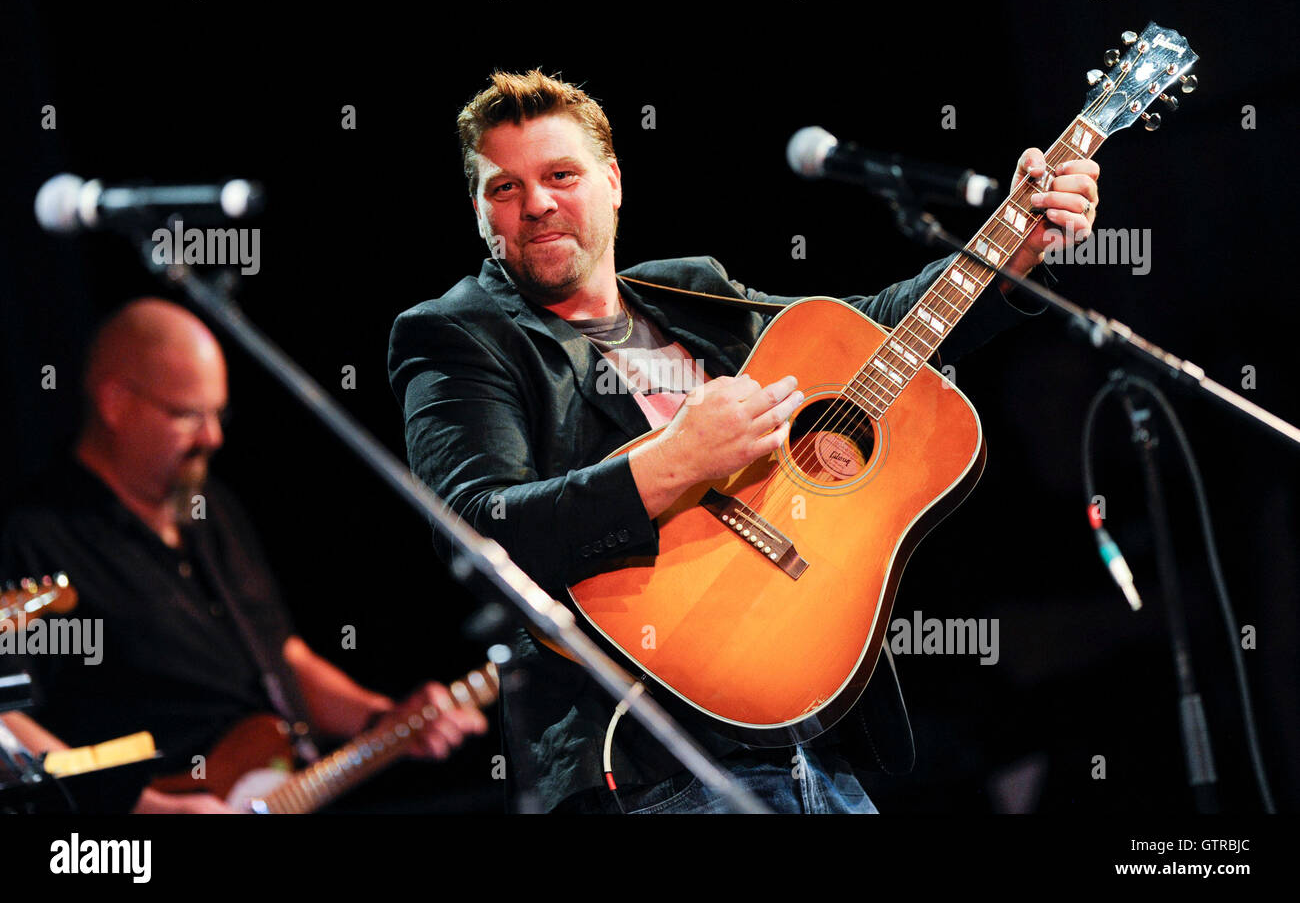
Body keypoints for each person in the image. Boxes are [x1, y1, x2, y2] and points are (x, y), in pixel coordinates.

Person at [388, 70, 1100, 813]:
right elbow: (477, 528)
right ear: (477, 208)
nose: (536, 203)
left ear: (613, 181)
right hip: (645, 766)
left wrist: (1010, 258)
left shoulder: (690, 290)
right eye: (504, 188)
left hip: (814, 744)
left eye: (559, 175)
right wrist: (674, 462)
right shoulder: (457, 334)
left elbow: (869, 338)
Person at [0, 298, 487, 813]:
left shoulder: (211, 508)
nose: (213, 437)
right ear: (116, 402)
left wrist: (380, 717)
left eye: (218, 413)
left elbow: (283, 658)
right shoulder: (35, 538)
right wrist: (145, 807)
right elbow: (6, 718)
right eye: (188, 415)